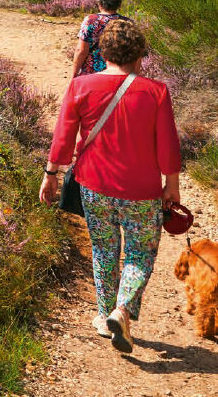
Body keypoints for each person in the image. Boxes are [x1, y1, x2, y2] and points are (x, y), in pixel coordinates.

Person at [40, 19, 181, 354]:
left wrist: (50, 174)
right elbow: (168, 144)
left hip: (94, 185)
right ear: (140, 55)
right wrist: (171, 182)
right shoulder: (156, 91)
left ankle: (105, 317)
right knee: (139, 253)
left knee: (104, 250)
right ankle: (123, 309)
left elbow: (63, 136)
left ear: (103, 52)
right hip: (142, 191)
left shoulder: (80, 86)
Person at [71, 0, 129, 79]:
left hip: (92, 75)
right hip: (119, 76)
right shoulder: (127, 23)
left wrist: (74, 75)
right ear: (119, 3)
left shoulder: (90, 21)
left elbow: (81, 50)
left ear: (99, 1)